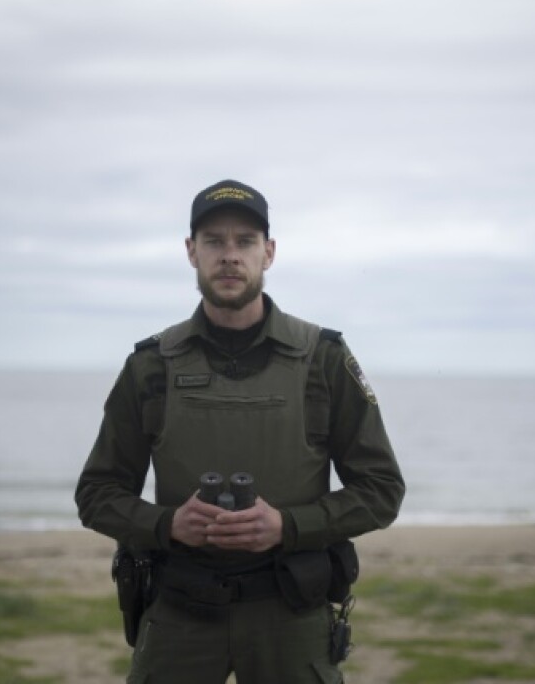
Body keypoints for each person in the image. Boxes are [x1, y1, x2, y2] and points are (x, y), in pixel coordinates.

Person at [75, 179, 404, 684]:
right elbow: (96, 494)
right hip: (181, 608)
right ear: (191, 252)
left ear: (268, 253)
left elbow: (382, 491)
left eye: (245, 241)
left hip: (289, 609)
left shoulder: (323, 359)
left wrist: (287, 527)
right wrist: (167, 526)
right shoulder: (151, 365)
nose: (230, 256)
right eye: (214, 241)